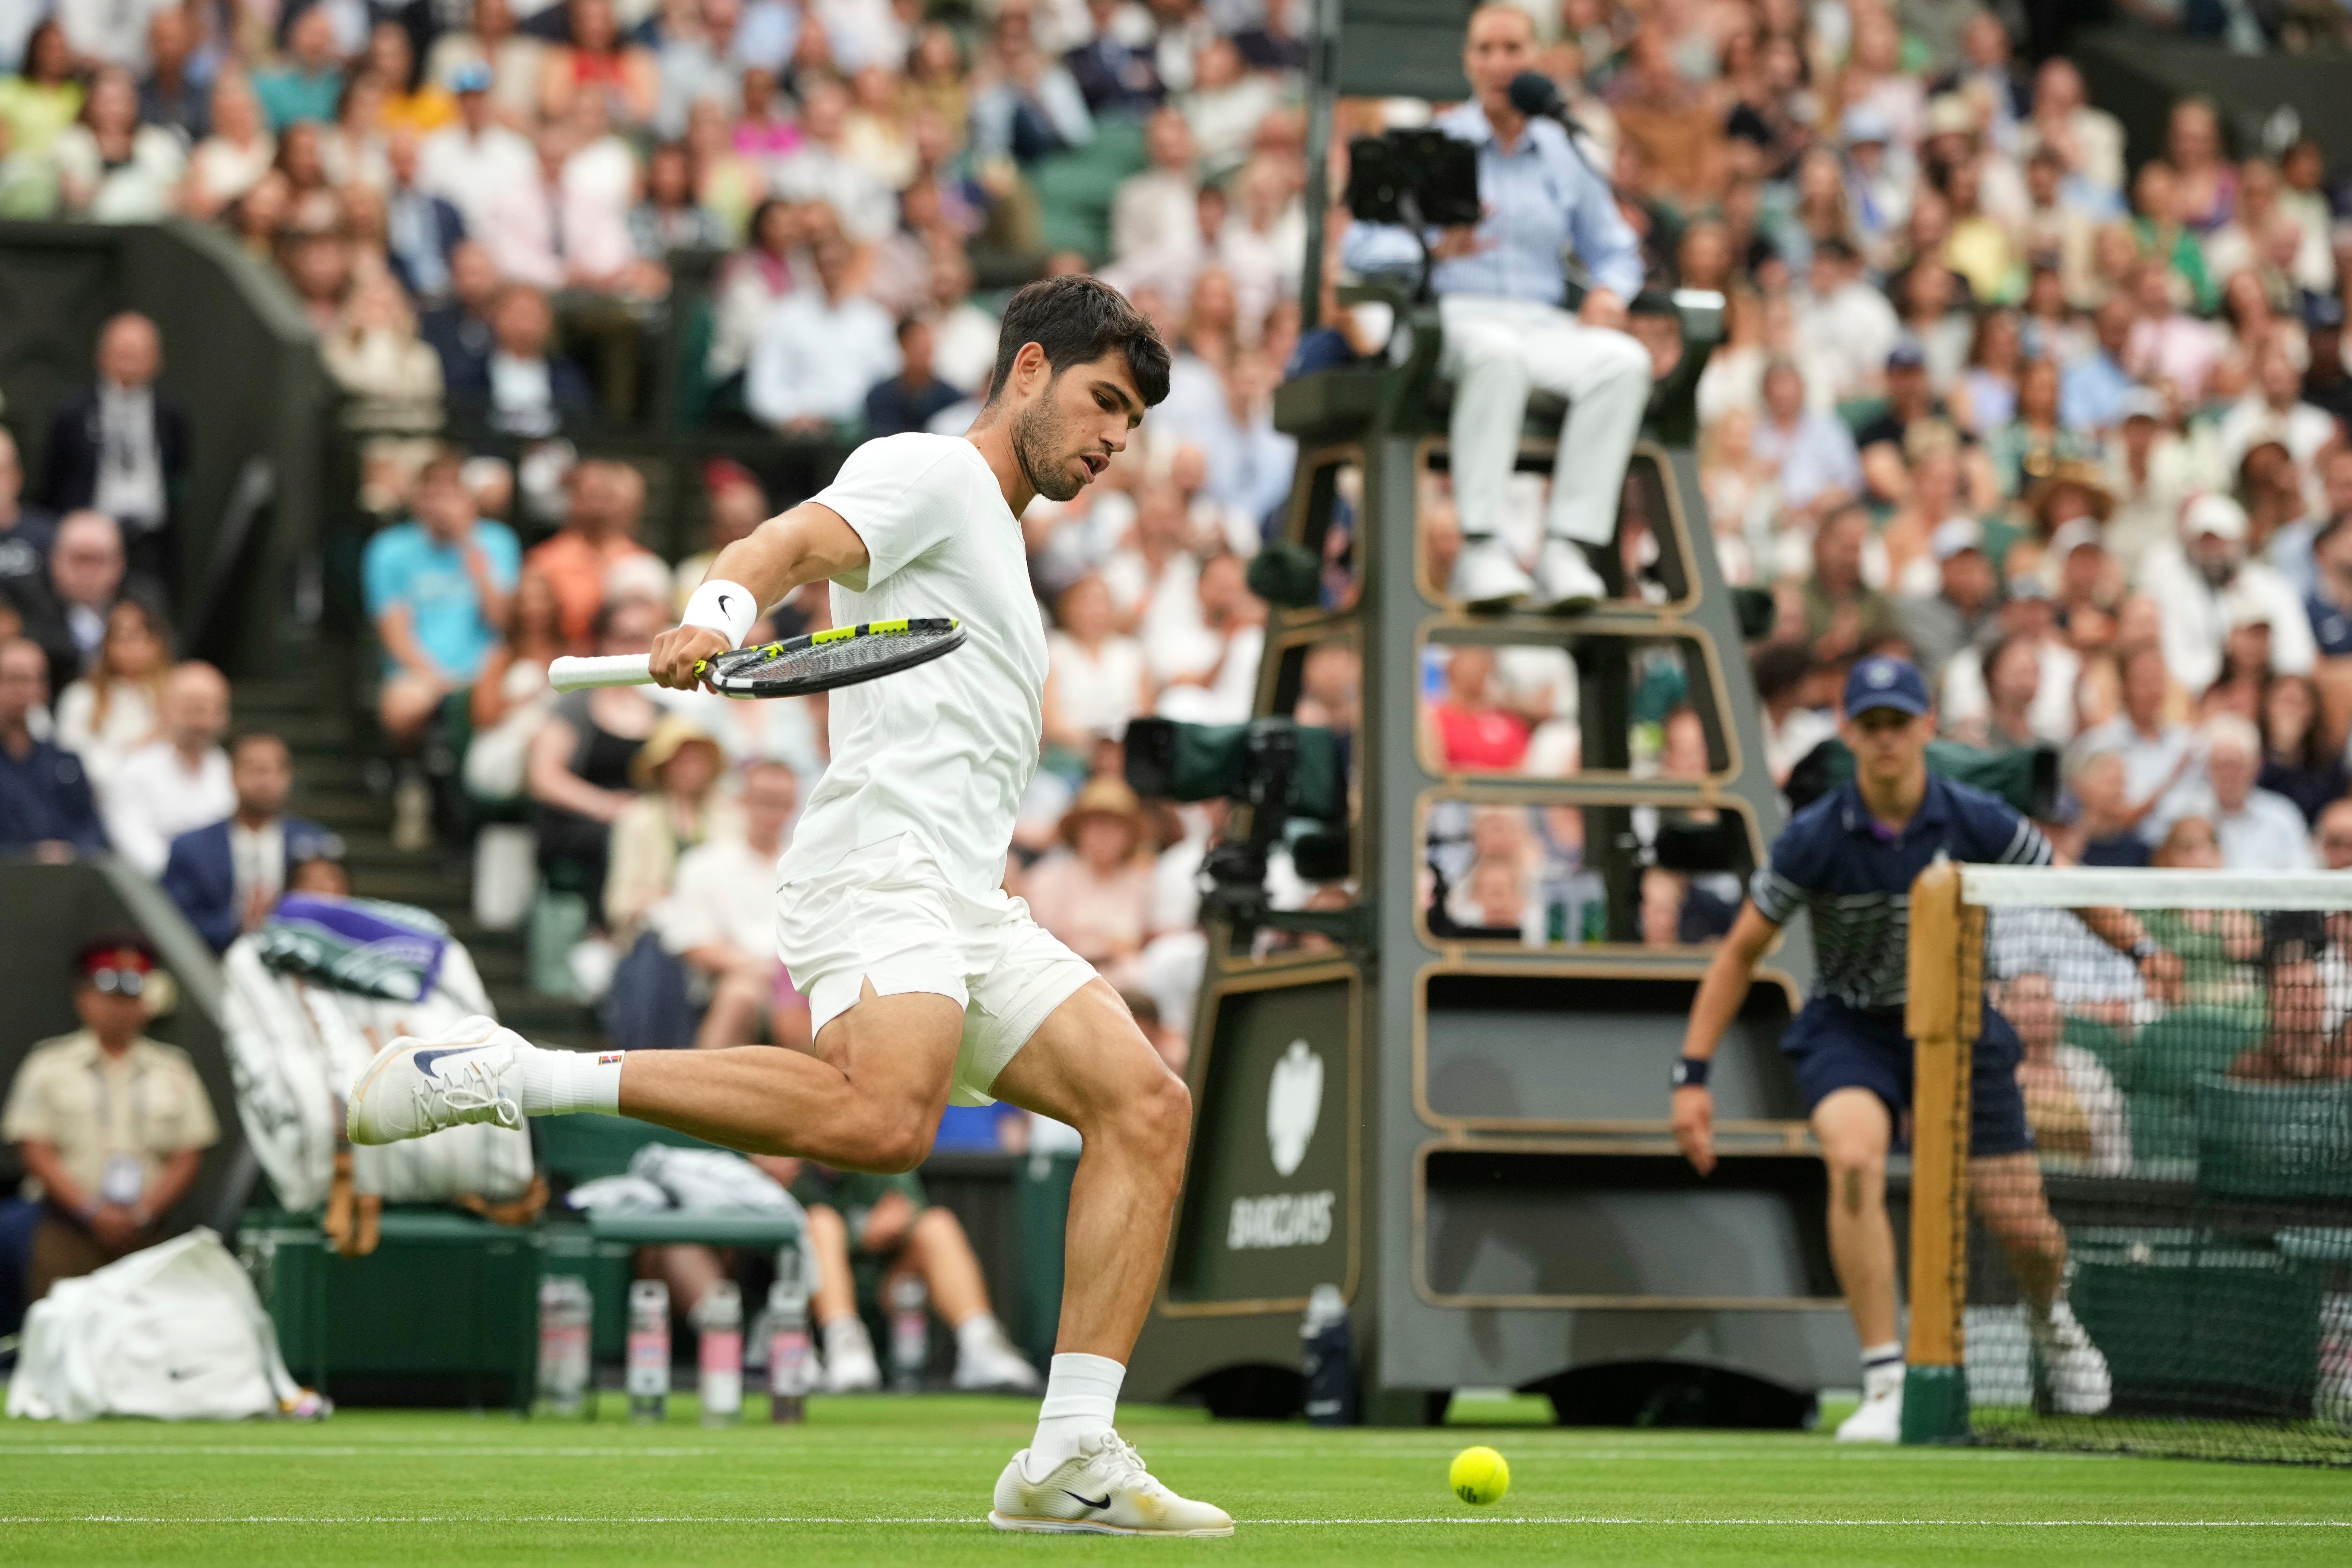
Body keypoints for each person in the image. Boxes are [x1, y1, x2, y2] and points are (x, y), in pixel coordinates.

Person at [346, 275, 1230, 1536]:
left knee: (1146, 1109)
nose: (1112, 438)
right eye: (1101, 401)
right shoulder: (928, 470)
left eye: (1133, 424)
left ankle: (1069, 1457)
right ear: (1025, 369)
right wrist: (715, 609)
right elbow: (785, 546)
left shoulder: (996, 534)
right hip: (875, 864)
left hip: (961, 892)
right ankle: (515, 1072)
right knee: (883, 1123)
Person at [1670, 655, 2148, 1443]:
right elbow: (1736, 955)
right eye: (1870, 726)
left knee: (2026, 1231)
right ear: (1848, 733)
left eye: (1900, 723)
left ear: (1926, 727)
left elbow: (2062, 883)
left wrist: (2141, 950)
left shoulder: (1974, 819)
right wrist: (1690, 1076)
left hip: (1961, 1025)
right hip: (1851, 1028)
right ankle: (1884, 1377)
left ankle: (2050, 1320)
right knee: (1853, 1159)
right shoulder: (1813, 838)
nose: (1886, 740)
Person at [1341, 4, 1648, 614]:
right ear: (1467, 62)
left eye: (1512, 49)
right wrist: (1429, 244)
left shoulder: (1564, 150)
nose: (1498, 63)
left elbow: (1616, 248)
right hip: (1451, 318)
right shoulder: (1436, 142)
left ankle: (1566, 547)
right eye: (1485, 50)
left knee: (1624, 363)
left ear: (1535, 59)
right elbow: (1359, 244)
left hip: (1540, 321)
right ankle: (1481, 546)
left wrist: (1610, 291)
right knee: (1496, 354)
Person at [2, 936, 218, 1301]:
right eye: (109, 996)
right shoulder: (49, 1065)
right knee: (62, 1333)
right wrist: (91, 1210)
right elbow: (34, 1146)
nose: (119, 1009)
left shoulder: (174, 1069)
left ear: (145, 1003)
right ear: (83, 998)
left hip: (147, 1234)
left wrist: (144, 1212)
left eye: (129, 998)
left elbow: (190, 1150)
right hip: (67, 1231)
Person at [362, 451, 521, 747]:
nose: (441, 506)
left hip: (488, 669)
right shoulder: (388, 549)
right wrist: (438, 680)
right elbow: (395, 634)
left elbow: (502, 620)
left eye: (451, 495)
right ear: (417, 499)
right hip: (419, 673)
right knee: (401, 709)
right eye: (432, 495)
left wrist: (468, 546)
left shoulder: (498, 541)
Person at [650, 759, 811, 1053]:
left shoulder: (810, 867)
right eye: (763, 801)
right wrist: (761, 968)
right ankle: (703, 1089)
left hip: (798, 984)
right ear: (743, 801)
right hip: (731, 981)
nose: (772, 813)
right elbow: (692, 941)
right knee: (742, 994)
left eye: (782, 803)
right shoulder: (703, 864)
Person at [41, 313, 188, 595]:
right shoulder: (72, 413)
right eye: (121, 353)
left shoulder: (171, 414)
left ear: (158, 360)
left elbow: (180, 471)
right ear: (100, 356)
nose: (128, 363)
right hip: (91, 537)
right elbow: (53, 478)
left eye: (137, 354)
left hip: (150, 540)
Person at [158, 731, 340, 952]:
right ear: (232, 774)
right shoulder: (191, 849)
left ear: (288, 776)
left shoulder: (319, 844)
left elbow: (335, 915)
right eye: (254, 769)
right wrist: (237, 924)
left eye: (274, 769)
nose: (265, 780)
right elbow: (171, 924)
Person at [101, 660, 234, 878]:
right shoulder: (132, 772)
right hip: (156, 893)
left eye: (210, 707)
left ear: (224, 715)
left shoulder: (231, 772)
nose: (200, 720)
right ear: (167, 708)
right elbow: (137, 847)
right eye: (191, 706)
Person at [2003, 969, 2131, 1176]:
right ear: (2007, 1011)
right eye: (2026, 1000)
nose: (2038, 1009)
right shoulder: (1997, 1075)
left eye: (2045, 998)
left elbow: (2117, 1153)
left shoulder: (2089, 1070)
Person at [2161, 714, 2315, 873]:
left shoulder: (2283, 818)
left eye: (2237, 765)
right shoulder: (2184, 814)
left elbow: (2304, 878)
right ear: (2207, 766)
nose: (2229, 774)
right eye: (2221, 765)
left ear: (2257, 766)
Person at [0, 635, 106, 857]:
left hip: (66, 878)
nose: (23, 690)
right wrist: (28, 855)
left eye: (34, 679)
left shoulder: (65, 761)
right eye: (13, 679)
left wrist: (69, 851)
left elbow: (92, 830)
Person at [53, 593, 169, 794]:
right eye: (120, 637)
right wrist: (140, 746)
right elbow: (73, 766)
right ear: (107, 645)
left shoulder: (176, 695)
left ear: (157, 643)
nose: (130, 647)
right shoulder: (81, 697)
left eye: (139, 636)